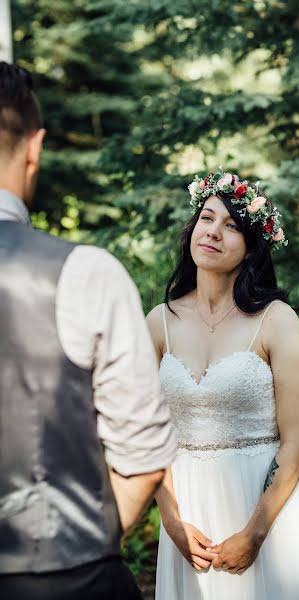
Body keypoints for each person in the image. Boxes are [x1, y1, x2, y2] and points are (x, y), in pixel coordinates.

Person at [0, 62, 176, 600]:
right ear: (36, 147)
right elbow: (143, 457)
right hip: (64, 577)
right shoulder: (87, 273)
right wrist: (77, 550)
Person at [147, 168, 299, 599]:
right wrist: (172, 521)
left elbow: (295, 443)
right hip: (186, 513)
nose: (213, 232)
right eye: (206, 218)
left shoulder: (276, 321)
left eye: (231, 226)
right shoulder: (160, 322)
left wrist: (256, 533)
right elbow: (145, 431)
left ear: (250, 250)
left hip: (264, 512)